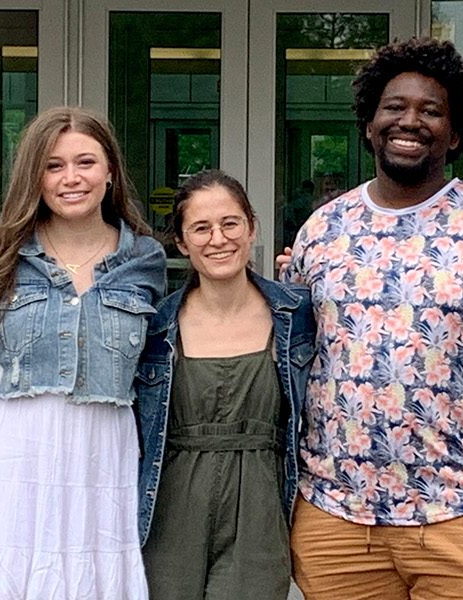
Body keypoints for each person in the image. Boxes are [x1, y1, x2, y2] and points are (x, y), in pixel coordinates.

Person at [281, 37, 463, 600]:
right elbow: (296, 358)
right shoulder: (322, 229)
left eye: (430, 111)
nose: (409, 121)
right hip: (337, 516)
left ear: (455, 134)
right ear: (369, 124)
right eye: (394, 107)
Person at [0, 106, 165, 599]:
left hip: (100, 448)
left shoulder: (145, 257)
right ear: (34, 175)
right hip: (9, 444)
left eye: (85, 162)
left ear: (110, 172)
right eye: (53, 165)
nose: (70, 178)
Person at [134, 171, 314, 600]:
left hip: (260, 507)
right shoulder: (154, 328)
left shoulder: (298, 317)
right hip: (171, 505)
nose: (218, 238)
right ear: (181, 242)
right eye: (201, 228)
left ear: (251, 228)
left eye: (230, 223)